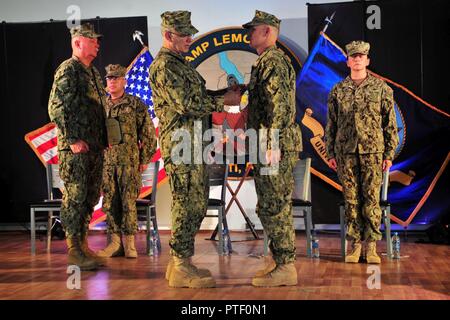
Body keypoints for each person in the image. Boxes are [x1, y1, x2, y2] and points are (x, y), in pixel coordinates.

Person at [149, 10, 242, 288]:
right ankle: (180, 264)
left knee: (196, 201)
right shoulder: (165, 66)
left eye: (191, 32)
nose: (190, 38)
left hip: (194, 143)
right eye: (184, 34)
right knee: (187, 203)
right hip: (181, 145)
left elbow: (197, 97)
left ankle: (181, 263)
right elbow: (185, 104)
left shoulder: (180, 63)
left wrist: (222, 96)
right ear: (168, 35)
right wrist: (223, 103)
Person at [243, 10, 302, 287]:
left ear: (267, 31)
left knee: (275, 205)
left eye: (253, 29)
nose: (248, 33)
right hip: (266, 142)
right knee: (269, 205)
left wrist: (272, 143)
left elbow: (282, 107)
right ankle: (280, 262)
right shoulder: (265, 61)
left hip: (274, 145)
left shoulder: (274, 61)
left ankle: (286, 267)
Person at [325, 41, 398, 264]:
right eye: (353, 56)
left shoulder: (382, 89)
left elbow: (390, 125)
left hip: (373, 152)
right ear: (347, 61)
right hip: (345, 152)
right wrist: (330, 153)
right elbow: (331, 123)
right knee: (351, 200)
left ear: (367, 61)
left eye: (361, 56)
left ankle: (372, 246)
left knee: (371, 200)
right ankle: (355, 245)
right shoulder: (338, 90)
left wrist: (388, 154)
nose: (357, 59)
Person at [48, 23, 107, 270]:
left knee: (89, 198)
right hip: (75, 149)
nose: (97, 44)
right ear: (78, 42)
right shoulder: (68, 70)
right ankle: (74, 250)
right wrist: (72, 139)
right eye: (92, 40)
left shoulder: (91, 72)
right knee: (75, 197)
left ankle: (82, 245)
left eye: (98, 41)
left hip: (93, 148)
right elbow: (56, 107)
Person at [96, 64, 157, 259]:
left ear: (124, 81)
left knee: (128, 202)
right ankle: (114, 244)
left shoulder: (135, 104)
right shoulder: (101, 105)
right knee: (110, 202)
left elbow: (147, 132)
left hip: (129, 162)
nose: (112, 81)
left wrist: (145, 158)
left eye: (116, 78)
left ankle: (130, 245)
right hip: (107, 163)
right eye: (109, 79)